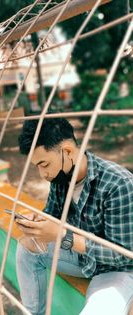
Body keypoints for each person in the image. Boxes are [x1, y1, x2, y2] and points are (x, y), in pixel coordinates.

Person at [16, 118, 133, 315]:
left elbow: (122, 255)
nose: (42, 174)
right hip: (82, 258)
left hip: (117, 270)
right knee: (26, 246)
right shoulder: (60, 176)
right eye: (37, 166)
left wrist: (64, 237)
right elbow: (52, 215)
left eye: (44, 164)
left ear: (68, 151)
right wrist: (37, 223)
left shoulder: (119, 184)